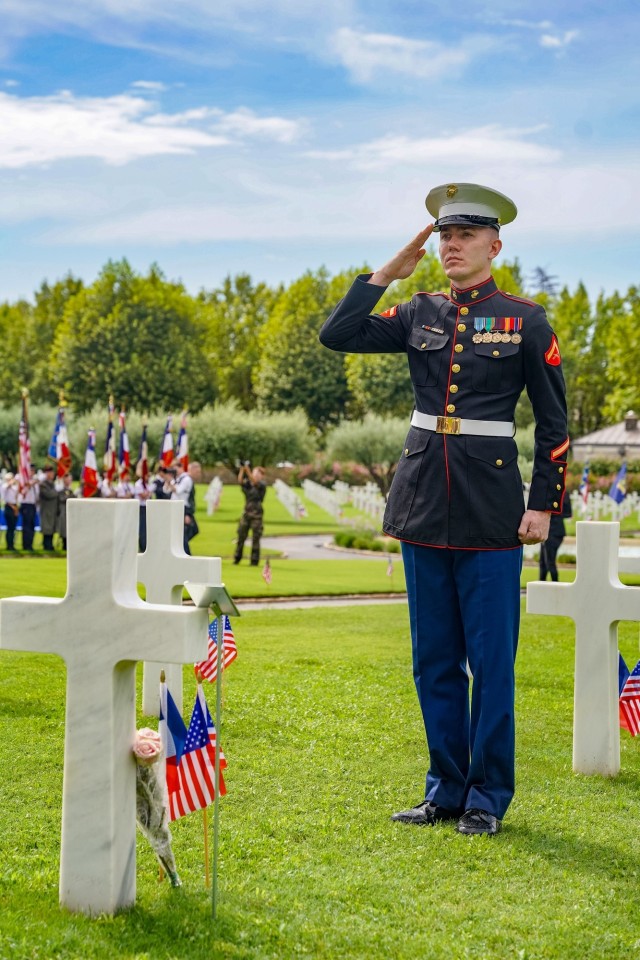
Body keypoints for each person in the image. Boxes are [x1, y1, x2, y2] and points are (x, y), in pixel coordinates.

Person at [319, 182, 568, 835]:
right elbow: (337, 334)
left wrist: (544, 503)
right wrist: (385, 273)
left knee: (490, 663)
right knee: (433, 659)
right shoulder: (418, 310)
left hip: (490, 508)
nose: (451, 246)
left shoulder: (524, 318)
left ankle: (486, 798)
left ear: (494, 244)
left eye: (463, 236)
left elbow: (554, 423)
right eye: (442, 236)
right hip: (423, 498)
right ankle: (445, 789)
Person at [234, 463, 267, 566]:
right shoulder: (249, 484)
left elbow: (255, 481)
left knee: (256, 538)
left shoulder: (262, 485)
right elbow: (240, 482)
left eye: (258, 474)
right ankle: (237, 558)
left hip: (256, 515)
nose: (256, 475)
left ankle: (254, 560)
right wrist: (242, 470)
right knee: (241, 536)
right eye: (255, 473)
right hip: (246, 513)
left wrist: (247, 470)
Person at [539, 493, 572, 581]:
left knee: (549, 562)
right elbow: (568, 513)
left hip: (552, 532)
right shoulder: (565, 493)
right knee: (543, 562)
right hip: (554, 531)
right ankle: (541, 585)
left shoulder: (557, 493)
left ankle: (555, 585)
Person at [39, 463, 59, 551]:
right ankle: (46, 545)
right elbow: (49, 494)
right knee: (47, 528)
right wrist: (56, 491)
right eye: (49, 473)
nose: (51, 474)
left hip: (53, 509)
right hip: (46, 510)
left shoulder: (52, 484)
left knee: (51, 527)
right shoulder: (43, 484)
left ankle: (50, 544)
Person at [20, 464, 39, 552]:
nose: (32, 473)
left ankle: (30, 544)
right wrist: (29, 484)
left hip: (33, 505)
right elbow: (22, 493)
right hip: (26, 504)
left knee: (32, 525)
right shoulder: (23, 481)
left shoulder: (34, 482)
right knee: (26, 526)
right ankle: (26, 544)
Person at [57, 472, 76, 551]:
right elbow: (63, 499)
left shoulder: (71, 491)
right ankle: (64, 545)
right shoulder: (61, 491)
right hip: (63, 512)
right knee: (64, 529)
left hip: (70, 513)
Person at [1, 472, 20, 551]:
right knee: (10, 528)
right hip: (8, 507)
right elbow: (4, 491)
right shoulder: (4, 486)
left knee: (13, 528)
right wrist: (10, 483)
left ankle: (12, 544)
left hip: (15, 507)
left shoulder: (15, 487)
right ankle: (9, 545)